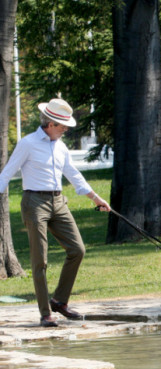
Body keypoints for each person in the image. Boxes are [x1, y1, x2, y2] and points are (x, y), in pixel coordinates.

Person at [0, 98, 111, 327]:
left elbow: (73, 174)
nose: (66, 130)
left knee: (77, 249)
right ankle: (45, 313)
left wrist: (96, 198)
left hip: (59, 201)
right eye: (63, 126)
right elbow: (7, 172)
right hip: (34, 202)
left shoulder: (60, 146)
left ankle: (59, 301)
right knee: (39, 259)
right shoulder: (27, 143)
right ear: (50, 124)